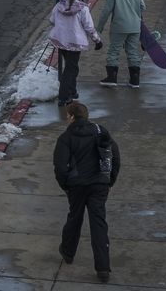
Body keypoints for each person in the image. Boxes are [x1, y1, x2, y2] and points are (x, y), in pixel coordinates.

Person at [53, 100, 120, 283]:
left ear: (73, 116)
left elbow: (60, 166)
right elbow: (114, 155)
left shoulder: (66, 138)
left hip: (76, 185)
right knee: (99, 223)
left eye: (68, 115)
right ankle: (103, 268)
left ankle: (67, 251)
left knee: (74, 217)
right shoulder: (100, 132)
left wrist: (65, 185)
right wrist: (110, 180)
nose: (66, 119)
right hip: (99, 184)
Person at [49, 0, 102, 104]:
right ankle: (63, 97)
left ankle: (72, 91)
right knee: (70, 69)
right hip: (75, 43)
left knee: (72, 67)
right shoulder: (83, 9)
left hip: (61, 41)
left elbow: (51, 20)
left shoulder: (59, 5)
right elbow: (89, 27)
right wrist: (97, 40)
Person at [96, 0, 147, 88]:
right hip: (135, 27)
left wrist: (99, 28)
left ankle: (112, 77)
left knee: (114, 51)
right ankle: (135, 80)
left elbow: (105, 12)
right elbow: (142, 7)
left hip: (119, 27)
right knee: (133, 52)